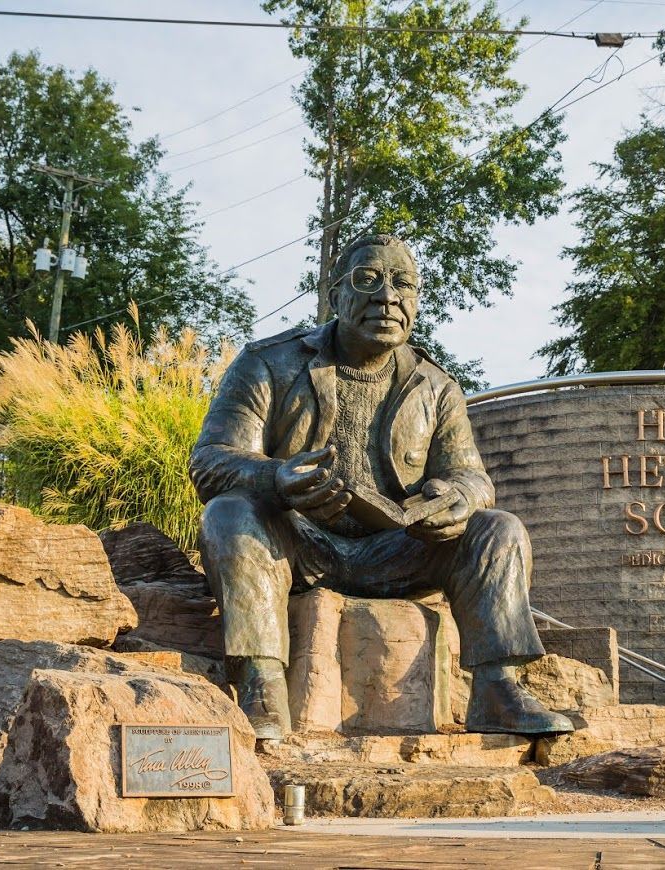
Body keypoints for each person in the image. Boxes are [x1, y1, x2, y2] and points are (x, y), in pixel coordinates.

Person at [191, 233, 574, 740]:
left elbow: (472, 477)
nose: (387, 297)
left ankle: (498, 689)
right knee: (230, 514)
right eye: (368, 280)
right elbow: (211, 461)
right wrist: (276, 478)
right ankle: (262, 687)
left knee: (498, 529)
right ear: (335, 293)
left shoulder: (436, 387)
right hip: (298, 546)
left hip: (400, 551)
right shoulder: (268, 363)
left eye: (403, 285)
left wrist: (456, 499)